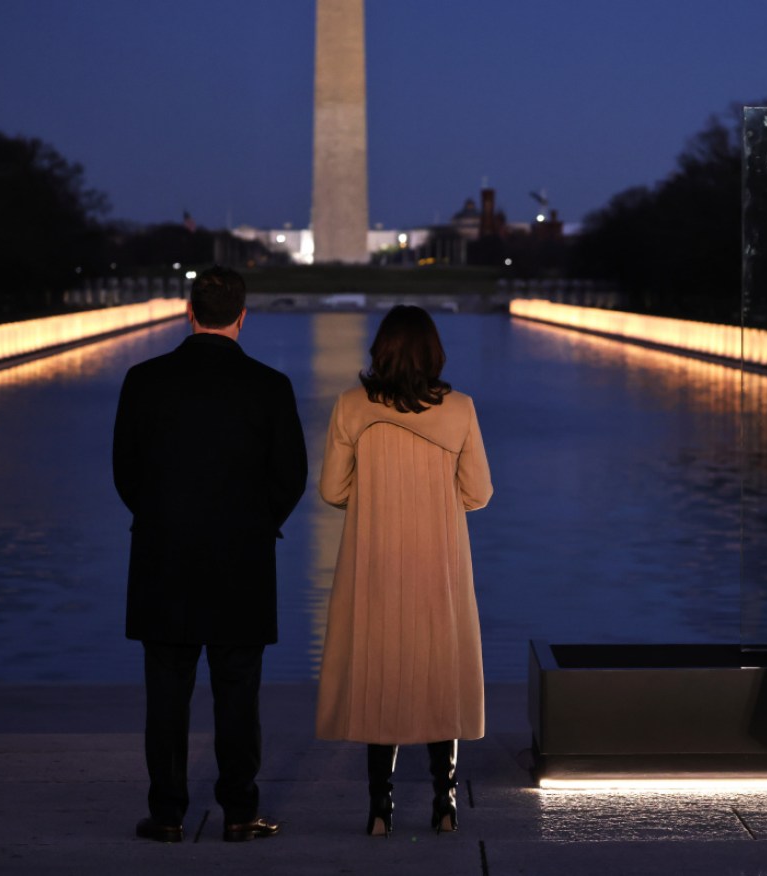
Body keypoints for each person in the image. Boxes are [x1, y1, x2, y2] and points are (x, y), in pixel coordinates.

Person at [113, 266, 308, 843]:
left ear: (188, 313)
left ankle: (167, 813)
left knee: (166, 696)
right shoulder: (270, 386)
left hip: (163, 559)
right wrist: (254, 524)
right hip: (241, 563)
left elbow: (125, 472)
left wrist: (161, 518)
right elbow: (291, 477)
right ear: (242, 317)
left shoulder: (143, 380)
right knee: (238, 696)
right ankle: (241, 812)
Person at [315, 305, 492, 837]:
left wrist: (374, 499)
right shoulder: (460, 409)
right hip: (438, 559)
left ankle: (379, 808)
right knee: (440, 674)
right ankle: (445, 803)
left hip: (374, 560)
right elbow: (479, 493)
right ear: (434, 353)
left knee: (379, 672)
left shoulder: (350, 407)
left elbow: (331, 490)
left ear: (380, 351)